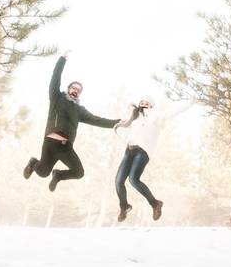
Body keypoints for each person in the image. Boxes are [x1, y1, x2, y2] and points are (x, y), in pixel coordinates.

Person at [23, 53, 122, 192]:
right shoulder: (56, 97)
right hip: (50, 144)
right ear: (68, 89)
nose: (75, 91)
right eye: (73, 88)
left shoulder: (79, 110)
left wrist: (116, 123)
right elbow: (55, 77)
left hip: (65, 148)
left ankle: (58, 175)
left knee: (79, 172)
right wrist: (62, 59)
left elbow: (96, 120)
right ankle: (33, 163)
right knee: (43, 173)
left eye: (78, 90)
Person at [113, 96, 192, 222]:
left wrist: (190, 102)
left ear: (151, 106)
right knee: (118, 181)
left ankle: (155, 203)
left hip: (143, 152)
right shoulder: (134, 119)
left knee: (133, 179)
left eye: (147, 103)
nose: (144, 104)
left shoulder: (155, 117)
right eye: (142, 102)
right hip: (129, 151)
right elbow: (123, 130)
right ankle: (124, 207)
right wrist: (118, 128)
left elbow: (172, 113)